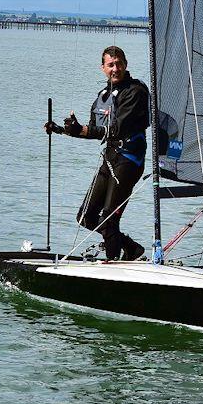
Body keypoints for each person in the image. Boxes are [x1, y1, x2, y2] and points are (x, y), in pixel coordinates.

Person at [45, 46, 150, 261]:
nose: (115, 68)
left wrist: (82, 129)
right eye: (110, 64)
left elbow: (116, 128)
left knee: (109, 219)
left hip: (129, 160)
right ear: (102, 68)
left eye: (119, 63)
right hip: (110, 159)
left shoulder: (136, 91)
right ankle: (131, 249)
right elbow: (93, 131)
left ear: (126, 64)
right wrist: (62, 129)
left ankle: (110, 263)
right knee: (86, 217)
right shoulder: (103, 96)